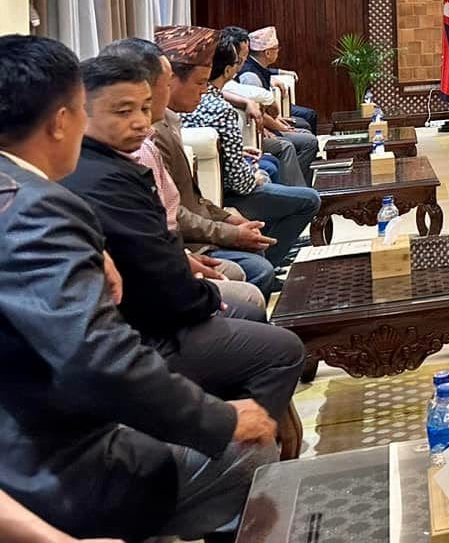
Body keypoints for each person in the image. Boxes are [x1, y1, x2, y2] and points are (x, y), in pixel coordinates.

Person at [0, 34, 279, 542]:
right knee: (246, 451)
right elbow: (98, 359)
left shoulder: (23, 192)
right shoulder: (37, 210)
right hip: (45, 462)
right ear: (62, 120)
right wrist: (217, 419)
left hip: (31, 420)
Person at [99, 37, 279, 296]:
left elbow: (183, 199)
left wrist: (225, 218)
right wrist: (228, 232)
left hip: (182, 241)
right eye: (199, 83)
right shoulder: (142, 141)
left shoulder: (164, 124)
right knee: (254, 273)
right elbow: (165, 219)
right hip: (176, 250)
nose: (204, 91)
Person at [166, 26, 320, 269]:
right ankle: (270, 253)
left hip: (210, 200)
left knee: (270, 164)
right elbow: (240, 184)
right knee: (304, 195)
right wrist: (254, 176)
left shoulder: (177, 113)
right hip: (221, 200)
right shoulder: (215, 109)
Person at [221, 27, 317, 187]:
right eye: (242, 56)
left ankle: (299, 186)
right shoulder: (248, 76)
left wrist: (277, 119)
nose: (244, 59)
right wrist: (279, 125)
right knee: (302, 140)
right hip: (254, 137)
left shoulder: (241, 74)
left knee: (304, 128)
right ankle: (298, 189)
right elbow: (262, 103)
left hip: (254, 135)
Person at [238, 26, 320, 132]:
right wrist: (282, 127)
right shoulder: (250, 77)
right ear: (267, 53)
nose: (278, 51)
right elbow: (259, 113)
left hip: (270, 118)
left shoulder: (257, 66)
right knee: (306, 133)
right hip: (263, 128)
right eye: (276, 48)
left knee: (306, 121)